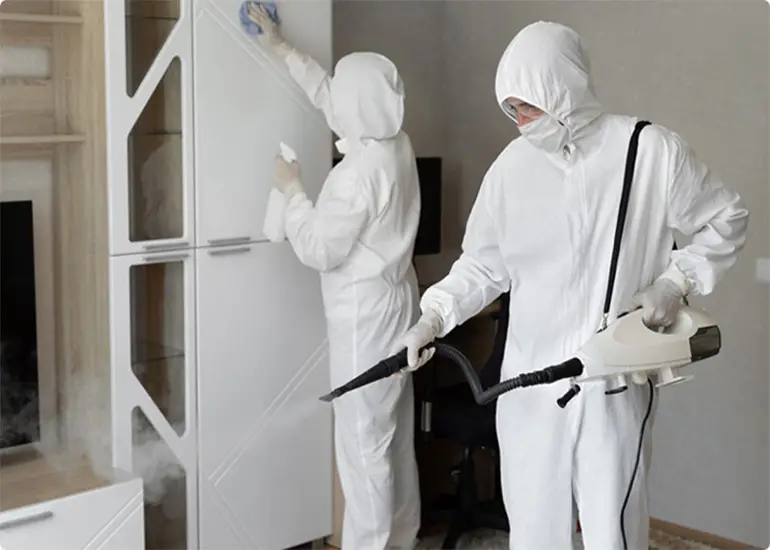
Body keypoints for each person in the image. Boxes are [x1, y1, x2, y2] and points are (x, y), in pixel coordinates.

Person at [399, 21, 748, 550]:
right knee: (534, 534)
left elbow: (726, 219)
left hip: (612, 388)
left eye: (529, 105)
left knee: (614, 533)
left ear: (562, 88)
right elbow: (483, 266)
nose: (521, 121)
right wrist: (434, 316)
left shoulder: (648, 151)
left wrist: (675, 281)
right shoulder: (510, 170)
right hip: (528, 389)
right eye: (511, 109)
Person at [248, 5, 431, 549]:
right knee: (393, 439)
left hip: (364, 323)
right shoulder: (395, 143)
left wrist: (292, 189)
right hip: (399, 307)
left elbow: (319, 248)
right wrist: (282, 47)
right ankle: (401, 539)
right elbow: (333, 99)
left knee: (363, 446)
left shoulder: (355, 176)